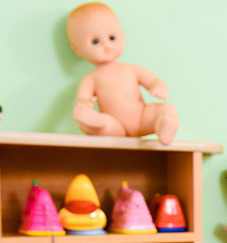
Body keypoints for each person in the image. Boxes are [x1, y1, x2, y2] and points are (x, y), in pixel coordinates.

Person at [66, 2, 179, 144]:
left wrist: (158, 87)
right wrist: (84, 104)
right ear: (77, 49)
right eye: (95, 41)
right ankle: (93, 122)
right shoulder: (91, 79)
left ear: (122, 37)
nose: (106, 45)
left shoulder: (131, 69)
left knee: (167, 108)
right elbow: (82, 99)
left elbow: (154, 81)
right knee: (101, 123)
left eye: (112, 38)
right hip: (115, 127)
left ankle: (163, 126)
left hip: (142, 117)